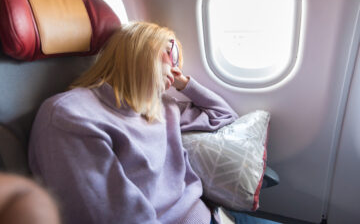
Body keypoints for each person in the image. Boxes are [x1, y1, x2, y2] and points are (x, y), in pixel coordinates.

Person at [28, 21, 238, 224]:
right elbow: (112, 216)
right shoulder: (70, 116)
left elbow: (224, 115)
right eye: (169, 52)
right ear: (138, 51)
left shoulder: (163, 107)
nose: (174, 64)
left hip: (208, 213)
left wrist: (186, 85)